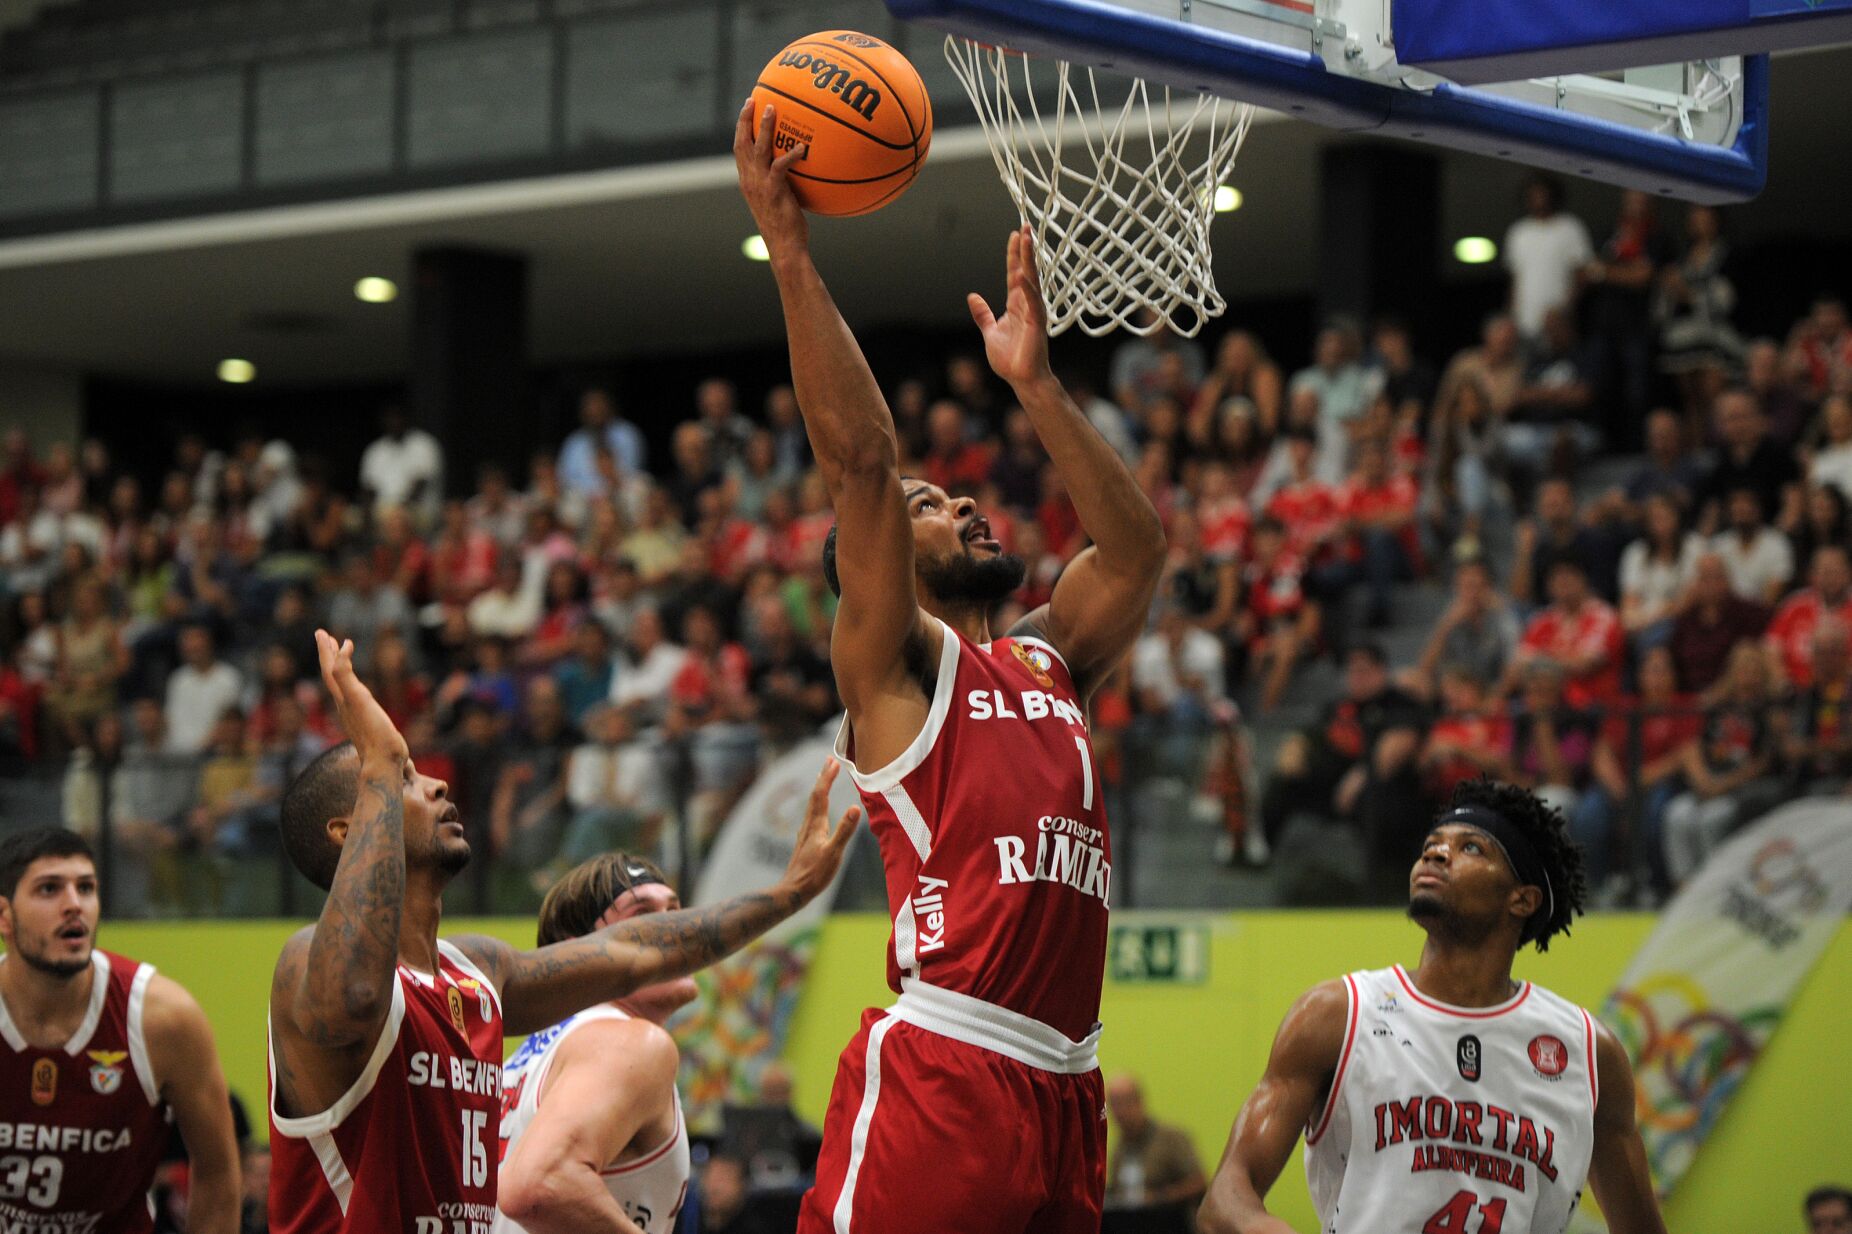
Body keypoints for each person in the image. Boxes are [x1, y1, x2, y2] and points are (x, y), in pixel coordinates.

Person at [737, 100, 1167, 1234]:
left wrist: (1035, 387)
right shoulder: (897, 667)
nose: (964, 502)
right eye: (932, 510)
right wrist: (790, 252)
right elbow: (866, 463)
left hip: (1069, 1082)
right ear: (878, 568)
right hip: (953, 1061)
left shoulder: (1047, 660)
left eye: (957, 493)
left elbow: (1135, 551)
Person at [266, 630, 857, 1232]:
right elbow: (357, 996)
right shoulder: (306, 965)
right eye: (405, 780)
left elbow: (631, 952)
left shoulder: (476, 972)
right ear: (349, 829)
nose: (437, 785)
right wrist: (379, 763)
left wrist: (787, 896)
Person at [1199, 779, 1667, 1234]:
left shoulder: (1587, 1051)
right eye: (1433, 843)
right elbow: (1225, 1197)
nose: (1436, 852)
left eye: (1471, 848)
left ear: (1521, 899)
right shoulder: (1337, 1016)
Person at [495, 848, 794, 1234]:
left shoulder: (529, 1057)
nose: (675, 935)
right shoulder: (629, 1041)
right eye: (644, 918)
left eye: (676, 914)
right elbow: (540, 1184)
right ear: (578, 952)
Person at [0, 827, 241, 1233]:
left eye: (86, 888)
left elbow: (217, 1172)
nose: (74, 905)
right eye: (49, 889)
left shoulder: (163, 1018)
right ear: (5, 917)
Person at [1104, 1073, 1207, 1211]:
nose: (1120, 1111)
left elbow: (1198, 1183)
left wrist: (1160, 1198)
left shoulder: (1171, 1139)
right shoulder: (1119, 1148)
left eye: (1125, 1102)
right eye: (1114, 1104)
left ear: (1139, 1101)